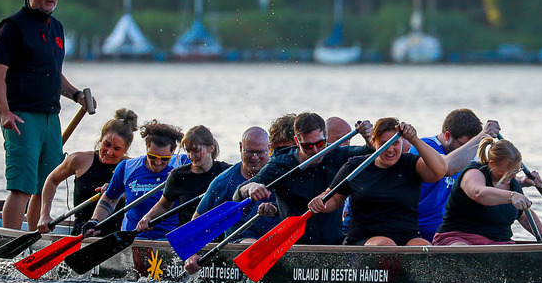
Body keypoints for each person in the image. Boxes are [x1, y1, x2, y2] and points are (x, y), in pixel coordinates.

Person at [0, 0, 95, 230]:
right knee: (21, 188)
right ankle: (10, 243)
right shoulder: (12, 28)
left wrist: (76, 95)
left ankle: (33, 243)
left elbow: (53, 74)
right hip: (22, 118)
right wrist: (4, 112)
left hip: (51, 117)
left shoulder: (56, 28)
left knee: (44, 185)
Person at [237, 112, 372, 245]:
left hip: (333, 245)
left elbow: (372, 154)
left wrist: (368, 138)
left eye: (320, 144)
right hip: (295, 247)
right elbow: (238, 193)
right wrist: (251, 187)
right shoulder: (280, 165)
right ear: (297, 141)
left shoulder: (336, 153)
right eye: (307, 146)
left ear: (326, 135)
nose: (315, 151)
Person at [309, 118, 447, 246]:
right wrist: (321, 203)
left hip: (406, 236)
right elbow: (332, 199)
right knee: (385, 245)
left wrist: (414, 139)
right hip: (365, 238)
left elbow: (441, 170)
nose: (390, 149)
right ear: (374, 143)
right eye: (383, 144)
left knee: (424, 247)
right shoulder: (356, 166)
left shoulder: (411, 164)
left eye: (395, 143)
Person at [181, 127, 277, 273]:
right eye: (250, 152)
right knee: (251, 244)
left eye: (260, 152)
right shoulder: (223, 182)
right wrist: (192, 254)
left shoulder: (282, 172)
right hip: (242, 243)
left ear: (269, 149)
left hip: (279, 238)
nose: (255, 157)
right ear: (240, 148)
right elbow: (197, 222)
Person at [36, 108, 138, 234]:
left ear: (126, 149)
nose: (109, 152)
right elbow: (51, 180)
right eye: (106, 144)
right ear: (101, 139)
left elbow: (142, 200)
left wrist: (115, 193)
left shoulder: (132, 167)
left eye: (117, 148)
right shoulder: (79, 160)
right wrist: (44, 215)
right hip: (82, 232)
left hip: (116, 234)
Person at [410, 108, 507, 241]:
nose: (469, 151)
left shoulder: (465, 154)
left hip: (452, 232)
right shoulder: (424, 146)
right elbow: (445, 168)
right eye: (465, 145)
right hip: (418, 232)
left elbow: (488, 181)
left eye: (474, 147)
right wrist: (481, 137)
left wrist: (521, 181)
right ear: (448, 136)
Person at [433, 137, 542, 245]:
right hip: (459, 239)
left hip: (499, 243)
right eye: (509, 171)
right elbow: (479, 193)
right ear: (493, 164)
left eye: (516, 171)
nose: (513, 176)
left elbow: (524, 216)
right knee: (468, 254)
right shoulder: (473, 173)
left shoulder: (513, 185)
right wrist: (511, 196)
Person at [82, 121, 184, 240]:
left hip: (169, 240)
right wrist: (95, 221)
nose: (157, 162)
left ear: (173, 150)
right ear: (147, 147)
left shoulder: (182, 164)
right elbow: (110, 198)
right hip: (133, 239)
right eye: (152, 157)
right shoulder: (127, 167)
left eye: (164, 158)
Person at [137, 125, 230, 235]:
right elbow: (164, 205)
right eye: (188, 151)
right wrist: (148, 217)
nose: (191, 156)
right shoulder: (178, 176)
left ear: (211, 148)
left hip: (222, 237)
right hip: (190, 238)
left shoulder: (226, 172)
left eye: (196, 150)